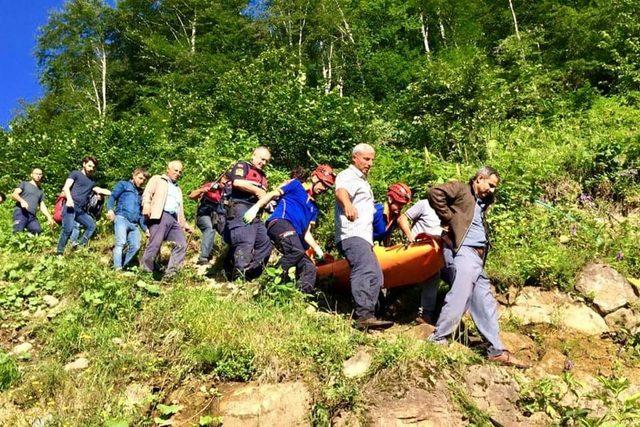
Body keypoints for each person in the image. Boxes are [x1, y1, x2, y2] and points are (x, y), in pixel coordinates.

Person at [427, 167, 527, 367]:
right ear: (479, 178)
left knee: (485, 301)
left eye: (494, 187)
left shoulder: (481, 202)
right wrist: (449, 218)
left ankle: (495, 349)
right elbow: (434, 192)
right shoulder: (461, 189)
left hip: (477, 258)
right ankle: (438, 338)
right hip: (464, 251)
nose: (491, 190)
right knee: (460, 294)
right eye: (490, 185)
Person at [244, 165, 336, 294]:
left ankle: (300, 297)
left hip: (294, 235)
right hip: (279, 223)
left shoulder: (314, 207)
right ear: (315, 178)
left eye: (327, 187)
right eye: (323, 184)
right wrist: (256, 207)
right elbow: (272, 194)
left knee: (309, 267)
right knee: (296, 250)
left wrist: (317, 249)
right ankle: (268, 284)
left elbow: (306, 233)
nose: (324, 189)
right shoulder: (295, 185)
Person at [335, 144, 393, 330]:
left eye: (372, 160)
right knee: (365, 270)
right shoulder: (348, 175)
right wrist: (347, 205)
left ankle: (374, 314)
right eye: (366, 159)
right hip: (352, 234)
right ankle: (363, 316)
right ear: (355, 157)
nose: (370, 163)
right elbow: (341, 191)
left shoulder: (363, 182)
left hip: (364, 236)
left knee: (377, 275)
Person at [224, 147, 273, 280]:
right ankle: (238, 280)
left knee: (266, 242)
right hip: (241, 208)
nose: (263, 162)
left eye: (266, 161)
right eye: (262, 159)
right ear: (254, 155)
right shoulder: (243, 165)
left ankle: (249, 274)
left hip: (257, 214)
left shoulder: (263, 176)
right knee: (245, 243)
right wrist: (257, 191)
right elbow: (237, 182)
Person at [397, 197, 447, 325]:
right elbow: (402, 218)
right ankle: (389, 304)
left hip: (434, 254)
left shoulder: (451, 212)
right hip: (416, 249)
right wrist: (410, 236)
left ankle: (426, 314)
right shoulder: (425, 204)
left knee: (434, 273)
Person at [140, 161, 193, 278]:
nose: (178, 173)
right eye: (176, 170)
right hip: (160, 216)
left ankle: (171, 274)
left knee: (181, 244)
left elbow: (179, 209)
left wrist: (184, 225)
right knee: (154, 245)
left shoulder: (178, 189)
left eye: (180, 172)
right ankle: (145, 273)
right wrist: (146, 205)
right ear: (168, 169)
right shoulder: (158, 179)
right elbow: (147, 193)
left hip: (173, 220)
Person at [56, 157, 111, 255]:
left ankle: (80, 247)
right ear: (84, 164)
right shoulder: (75, 174)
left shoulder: (92, 182)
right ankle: (59, 252)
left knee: (91, 225)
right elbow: (66, 187)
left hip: (80, 210)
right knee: (67, 229)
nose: (91, 169)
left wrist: (105, 193)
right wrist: (69, 199)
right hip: (70, 206)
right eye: (89, 166)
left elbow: (103, 191)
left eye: (93, 167)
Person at [106, 168, 150, 270]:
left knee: (135, 246)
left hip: (134, 224)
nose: (142, 181)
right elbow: (112, 197)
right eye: (140, 178)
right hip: (121, 218)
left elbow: (141, 215)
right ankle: (117, 269)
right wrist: (110, 210)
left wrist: (145, 229)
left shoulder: (141, 193)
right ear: (134, 176)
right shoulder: (124, 184)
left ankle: (121, 265)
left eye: (144, 180)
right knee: (120, 243)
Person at [189, 175, 228, 265]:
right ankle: (203, 258)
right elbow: (192, 196)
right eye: (224, 180)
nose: (225, 182)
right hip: (203, 214)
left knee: (226, 231)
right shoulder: (211, 185)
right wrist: (202, 190)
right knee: (209, 229)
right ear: (220, 178)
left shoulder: (226, 192)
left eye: (228, 181)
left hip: (216, 215)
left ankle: (224, 256)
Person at [11, 168, 55, 234]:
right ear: (31, 175)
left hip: (32, 216)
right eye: (36, 173)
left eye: (40, 174)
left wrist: (49, 217)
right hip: (21, 212)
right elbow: (14, 195)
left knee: (37, 231)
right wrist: (22, 201)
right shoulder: (24, 184)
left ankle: (27, 241)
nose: (38, 176)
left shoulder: (40, 191)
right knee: (17, 232)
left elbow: (42, 206)